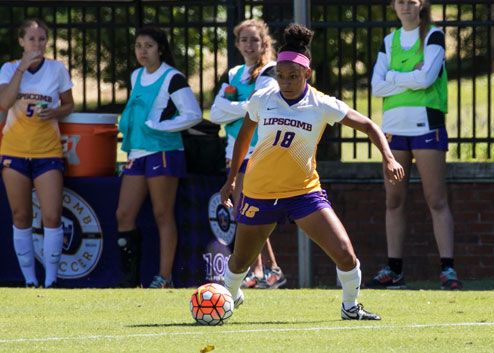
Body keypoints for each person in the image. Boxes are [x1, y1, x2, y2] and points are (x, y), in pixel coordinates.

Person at [220, 23, 404, 320]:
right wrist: (231, 181)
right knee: (239, 262)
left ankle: (351, 307)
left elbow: (369, 125)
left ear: (307, 73)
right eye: (280, 75)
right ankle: (229, 297)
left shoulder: (321, 104)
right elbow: (243, 138)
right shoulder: (264, 98)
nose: (286, 82)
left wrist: (389, 158)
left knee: (345, 253)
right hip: (259, 191)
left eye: (293, 76)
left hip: (304, 193)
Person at [369, 0, 462, 290]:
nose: (406, 7)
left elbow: (427, 79)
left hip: (426, 125)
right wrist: (409, 77)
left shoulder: (433, 35)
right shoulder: (389, 41)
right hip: (394, 129)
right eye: (400, 2)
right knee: (393, 200)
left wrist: (393, 77)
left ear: (420, 4)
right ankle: (394, 269)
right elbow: (376, 86)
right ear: (394, 6)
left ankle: (448, 269)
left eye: (411, 2)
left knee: (436, 199)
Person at [116, 27, 202, 288]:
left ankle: (164, 278)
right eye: (138, 45)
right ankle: (130, 280)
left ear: (160, 48)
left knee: (162, 214)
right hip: (137, 153)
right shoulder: (135, 76)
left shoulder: (172, 77)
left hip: (164, 152)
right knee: (124, 214)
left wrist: (158, 126)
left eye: (149, 45)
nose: (143, 51)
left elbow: (193, 114)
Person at [210, 19, 286, 289]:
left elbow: (262, 104)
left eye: (254, 40)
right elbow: (216, 112)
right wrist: (242, 106)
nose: (249, 45)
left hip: (258, 148)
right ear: (237, 43)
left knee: (249, 209)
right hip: (235, 147)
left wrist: (233, 105)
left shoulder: (270, 70)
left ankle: (259, 270)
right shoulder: (233, 73)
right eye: (244, 40)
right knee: (246, 209)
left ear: (264, 42)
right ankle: (270, 269)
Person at [0, 19, 74, 288]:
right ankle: (30, 280)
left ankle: (51, 280)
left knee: (52, 216)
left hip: (47, 151)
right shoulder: (8, 69)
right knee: (21, 216)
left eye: (42, 39)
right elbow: (4, 103)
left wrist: (55, 112)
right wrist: (21, 68)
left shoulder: (56, 69)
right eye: (31, 39)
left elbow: (69, 104)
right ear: (21, 41)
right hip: (14, 151)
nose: (37, 44)